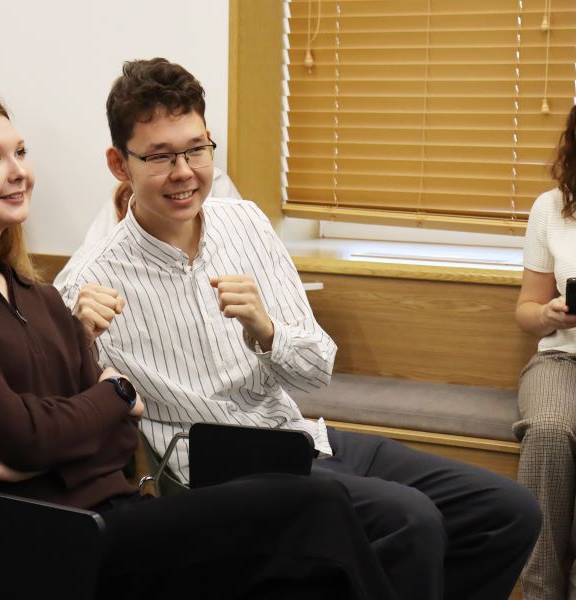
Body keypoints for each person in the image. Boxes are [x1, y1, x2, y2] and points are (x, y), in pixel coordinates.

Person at [0, 93, 401, 600]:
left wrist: (32, 459)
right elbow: (36, 431)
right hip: (44, 544)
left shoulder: (36, 294)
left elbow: (117, 441)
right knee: (314, 505)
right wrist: (116, 394)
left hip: (117, 514)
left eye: (21, 152)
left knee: (303, 573)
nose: (19, 172)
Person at [55, 57, 542, 600]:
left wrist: (266, 331)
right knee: (410, 520)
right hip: (218, 474)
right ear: (119, 164)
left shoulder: (245, 223)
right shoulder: (88, 282)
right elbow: (63, 419)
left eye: (196, 149)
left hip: (299, 436)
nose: (184, 171)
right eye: (161, 156)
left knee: (508, 511)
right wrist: (78, 341)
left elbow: (315, 372)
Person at [513, 102, 576, 600]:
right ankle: (538, 592)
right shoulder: (551, 207)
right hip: (561, 359)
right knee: (550, 431)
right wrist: (551, 314)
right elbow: (526, 310)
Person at [54, 168, 242, 287]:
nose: (181, 174)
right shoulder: (123, 200)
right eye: (159, 156)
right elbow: (70, 283)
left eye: (193, 149)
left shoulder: (218, 189)